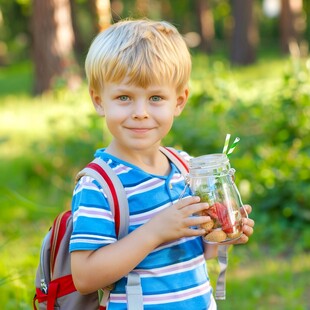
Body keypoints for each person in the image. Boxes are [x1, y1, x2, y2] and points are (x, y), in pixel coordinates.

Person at [69, 18, 254, 309]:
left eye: (156, 97)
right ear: (99, 101)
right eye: (124, 97)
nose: (140, 112)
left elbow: (199, 252)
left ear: (178, 102)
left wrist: (222, 228)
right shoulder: (99, 184)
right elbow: (85, 276)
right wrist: (156, 231)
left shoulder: (187, 169)